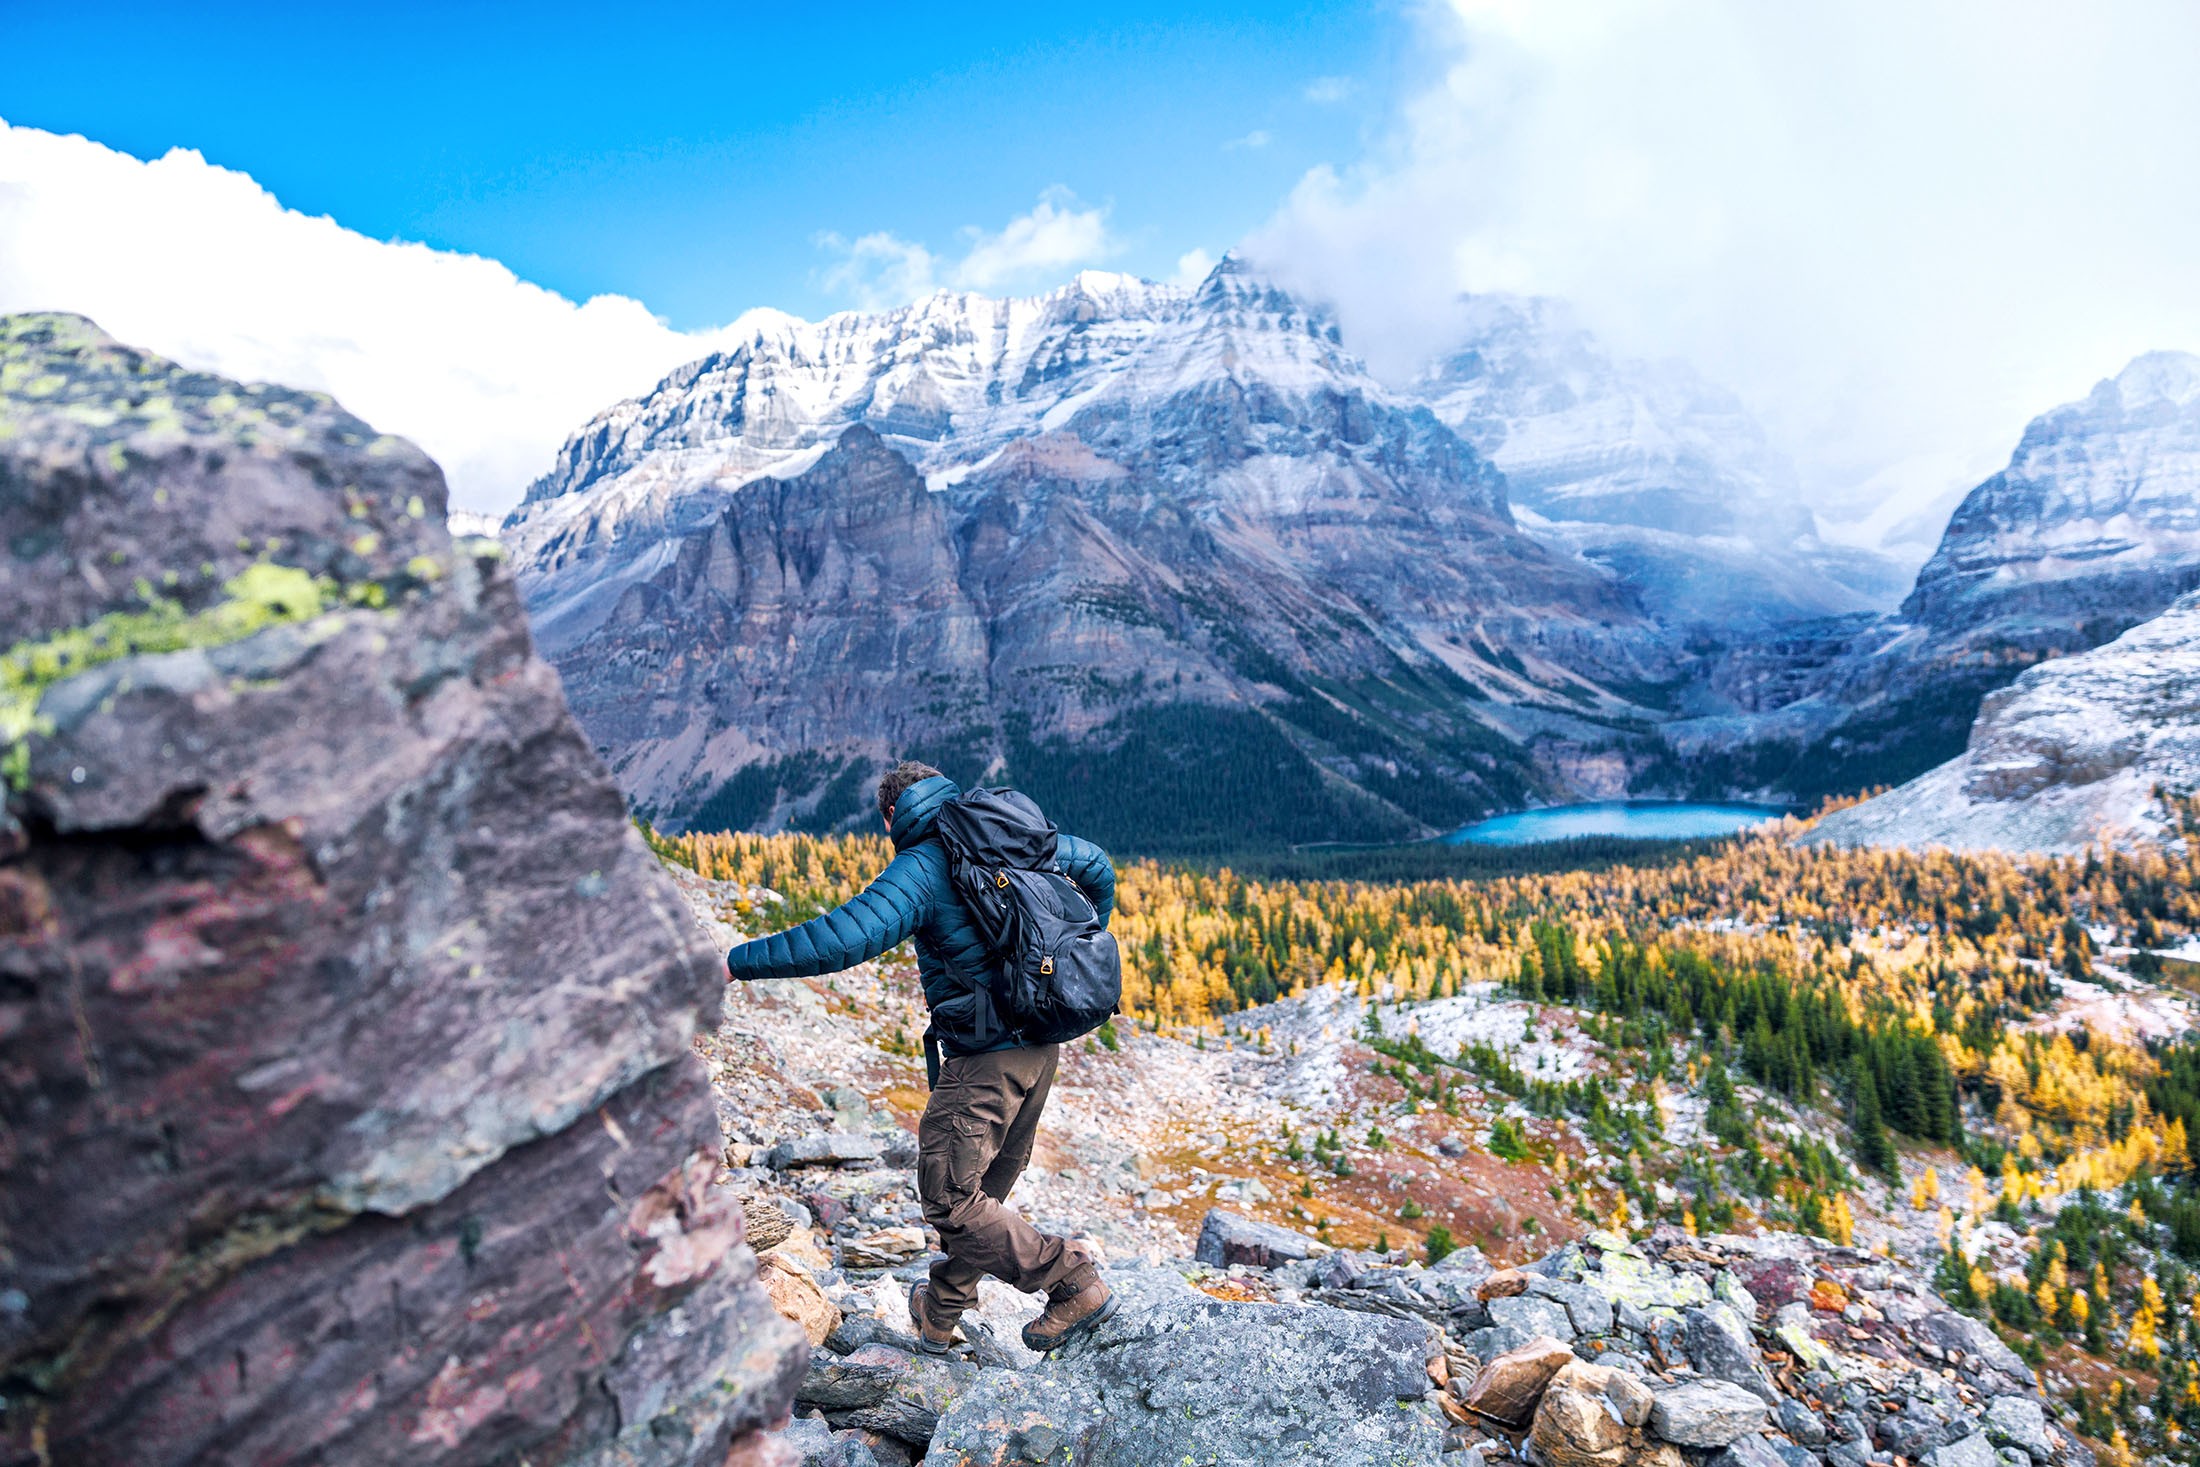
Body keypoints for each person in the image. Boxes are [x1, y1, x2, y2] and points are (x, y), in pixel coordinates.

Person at [725, 760, 1120, 1355]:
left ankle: (1071, 1280)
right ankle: (939, 1314)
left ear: (891, 814)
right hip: (1042, 1046)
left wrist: (735, 962)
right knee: (984, 1188)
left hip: (985, 1059)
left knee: (951, 1198)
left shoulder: (924, 865)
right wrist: (1070, 957)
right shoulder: (1013, 835)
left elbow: (843, 938)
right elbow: (1094, 864)